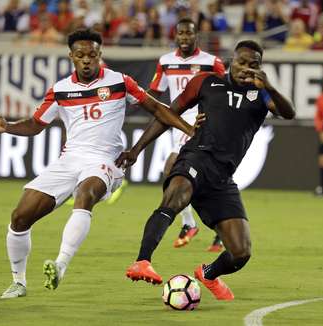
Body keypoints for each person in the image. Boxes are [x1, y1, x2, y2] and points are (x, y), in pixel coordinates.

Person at [0, 28, 199, 299]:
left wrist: (188, 129)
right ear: (71, 56)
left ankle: (60, 266)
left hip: (106, 161)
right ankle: (18, 282)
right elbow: (36, 125)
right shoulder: (60, 90)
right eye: (80, 55)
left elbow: (159, 109)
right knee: (20, 217)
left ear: (99, 55)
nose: (87, 60)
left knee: (85, 194)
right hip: (69, 160)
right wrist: (7, 126)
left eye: (92, 54)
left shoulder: (119, 82)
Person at [117, 40, 295, 300]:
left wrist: (268, 86)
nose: (246, 68)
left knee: (241, 252)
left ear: (260, 68)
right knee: (175, 197)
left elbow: (289, 113)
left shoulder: (261, 95)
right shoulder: (206, 82)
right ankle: (142, 261)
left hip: (222, 179)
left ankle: (208, 273)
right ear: (231, 61)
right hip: (196, 158)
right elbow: (168, 113)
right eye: (242, 62)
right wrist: (136, 149)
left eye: (253, 64)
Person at [147, 17, 225, 252]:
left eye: (188, 33)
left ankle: (191, 224)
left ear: (196, 36)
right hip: (177, 121)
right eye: (180, 33)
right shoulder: (166, 61)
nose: (184, 37)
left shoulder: (212, 62)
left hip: (201, 122)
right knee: (196, 178)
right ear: (175, 35)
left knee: (172, 168)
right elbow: (155, 92)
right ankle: (211, 227)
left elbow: (225, 91)